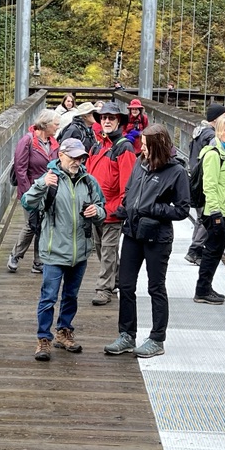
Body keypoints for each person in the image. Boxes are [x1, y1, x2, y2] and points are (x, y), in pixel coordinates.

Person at [104, 125, 190, 358]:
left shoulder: (177, 172)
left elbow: (183, 210)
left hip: (157, 237)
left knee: (155, 287)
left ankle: (157, 338)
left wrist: (154, 209)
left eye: (145, 144)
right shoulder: (139, 163)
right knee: (127, 286)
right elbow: (130, 191)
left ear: (157, 145)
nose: (141, 148)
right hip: (132, 232)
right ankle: (127, 335)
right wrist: (122, 209)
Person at [22, 137, 105, 362]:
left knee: (71, 295)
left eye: (80, 157)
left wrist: (96, 212)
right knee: (48, 297)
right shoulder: (48, 179)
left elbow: (102, 209)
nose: (77, 161)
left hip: (79, 252)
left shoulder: (89, 182)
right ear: (61, 156)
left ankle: (64, 331)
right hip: (53, 251)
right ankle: (43, 338)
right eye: (73, 157)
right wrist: (41, 185)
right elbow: (27, 202)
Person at [85, 103, 137, 306]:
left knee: (107, 251)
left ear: (118, 121)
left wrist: (121, 207)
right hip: (96, 210)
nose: (107, 121)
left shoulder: (124, 147)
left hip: (112, 210)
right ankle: (116, 280)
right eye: (104, 117)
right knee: (102, 249)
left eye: (111, 118)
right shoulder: (97, 146)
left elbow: (128, 182)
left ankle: (103, 289)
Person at [193, 113, 225, 304]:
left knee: (216, 251)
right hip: (216, 212)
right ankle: (202, 290)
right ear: (218, 132)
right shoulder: (214, 155)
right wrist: (214, 213)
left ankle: (206, 287)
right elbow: (209, 185)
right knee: (212, 251)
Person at [7, 115, 59, 274]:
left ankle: (39, 261)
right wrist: (28, 193)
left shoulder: (54, 143)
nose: (58, 127)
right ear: (46, 125)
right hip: (32, 190)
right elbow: (20, 170)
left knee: (44, 224)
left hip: (49, 190)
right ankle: (15, 255)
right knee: (32, 224)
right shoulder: (27, 141)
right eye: (56, 124)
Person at [185, 102, 225, 264]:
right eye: (224, 117)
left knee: (201, 216)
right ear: (216, 119)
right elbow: (219, 150)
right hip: (204, 180)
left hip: (195, 178)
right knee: (207, 216)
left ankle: (196, 248)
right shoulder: (210, 136)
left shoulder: (199, 132)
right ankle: (195, 249)